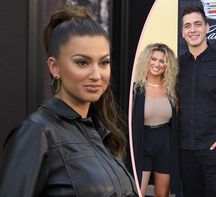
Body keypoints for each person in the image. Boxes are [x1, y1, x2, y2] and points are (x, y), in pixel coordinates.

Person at [0, 5, 137, 197]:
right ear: (54, 67)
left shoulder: (101, 131)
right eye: (82, 62)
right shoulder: (37, 132)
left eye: (104, 62)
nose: (97, 75)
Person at [178, 6, 216, 197]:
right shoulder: (177, 66)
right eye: (187, 26)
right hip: (186, 150)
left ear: (207, 28)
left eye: (197, 24)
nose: (192, 30)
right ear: (183, 32)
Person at [132, 43, 180, 197]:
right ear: (147, 60)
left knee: (162, 194)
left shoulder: (172, 89)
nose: (157, 64)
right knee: (138, 191)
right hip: (143, 143)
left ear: (168, 65)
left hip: (166, 144)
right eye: (154, 59)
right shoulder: (136, 89)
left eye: (162, 61)